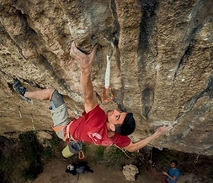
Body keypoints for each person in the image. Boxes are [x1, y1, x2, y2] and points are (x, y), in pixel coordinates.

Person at [12, 42, 173, 157]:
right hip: (75, 132)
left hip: (64, 128)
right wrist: (156, 134)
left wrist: (85, 68)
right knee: (77, 129)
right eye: (120, 112)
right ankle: (74, 144)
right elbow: (133, 147)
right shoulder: (116, 137)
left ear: (112, 126)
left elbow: (88, 96)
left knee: (53, 94)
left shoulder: (97, 121)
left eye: (116, 116)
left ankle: (24, 94)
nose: (115, 110)